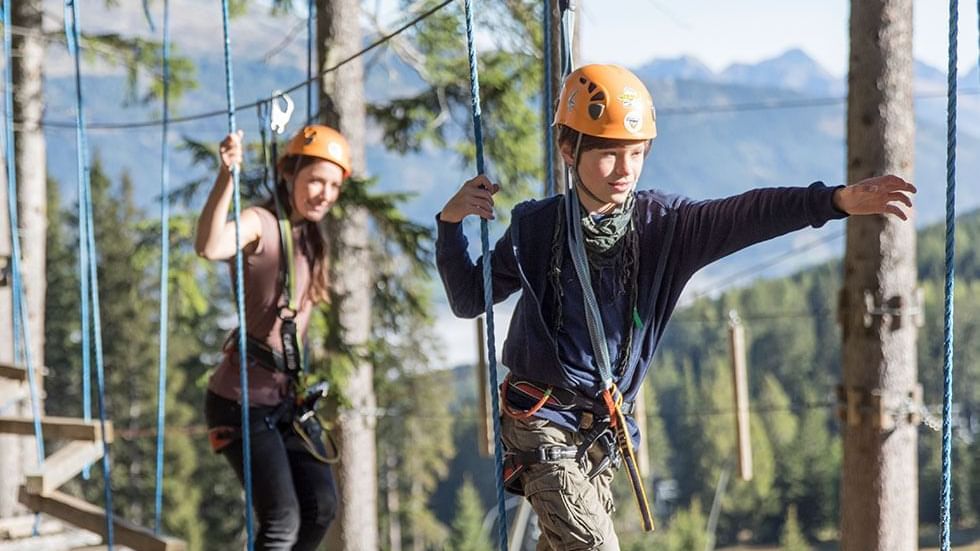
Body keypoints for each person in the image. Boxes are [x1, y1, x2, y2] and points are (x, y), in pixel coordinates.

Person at [435, 64, 915, 550]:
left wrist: (833, 201)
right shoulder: (535, 229)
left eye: (636, 154)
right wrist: (450, 224)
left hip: (597, 436)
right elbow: (470, 297)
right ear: (568, 150)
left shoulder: (664, 227)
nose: (625, 170)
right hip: (538, 425)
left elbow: (747, 213)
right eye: (608, 154)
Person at [195, 124, 348, 550]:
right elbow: (210, 245)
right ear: (289, 174)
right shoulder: (259, 222)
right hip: (240, 401)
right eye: (316, 180)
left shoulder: (312, 236)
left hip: (281, 401)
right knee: (281, 522)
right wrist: (227, 177)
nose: (324, 193)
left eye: (333, 185)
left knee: (320, 506)